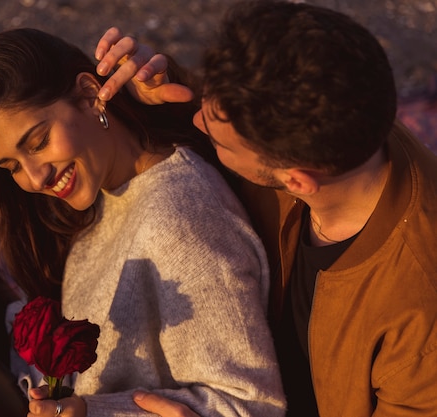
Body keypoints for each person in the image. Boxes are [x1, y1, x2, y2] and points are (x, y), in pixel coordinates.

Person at [0, 28, 286, 417]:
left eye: (37, 142)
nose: (35, 177)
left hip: (67, 410)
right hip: (38, 375)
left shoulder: (182, 223)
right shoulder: (110, 178)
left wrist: (97, 411)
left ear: (86, 95)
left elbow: (248, 404)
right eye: (12, 166)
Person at [93, 1, 437, 416]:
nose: (199, 123)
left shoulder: (420, 318)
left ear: (296, 183)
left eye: (219, 141)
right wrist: (164, 94)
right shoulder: (334, 112)